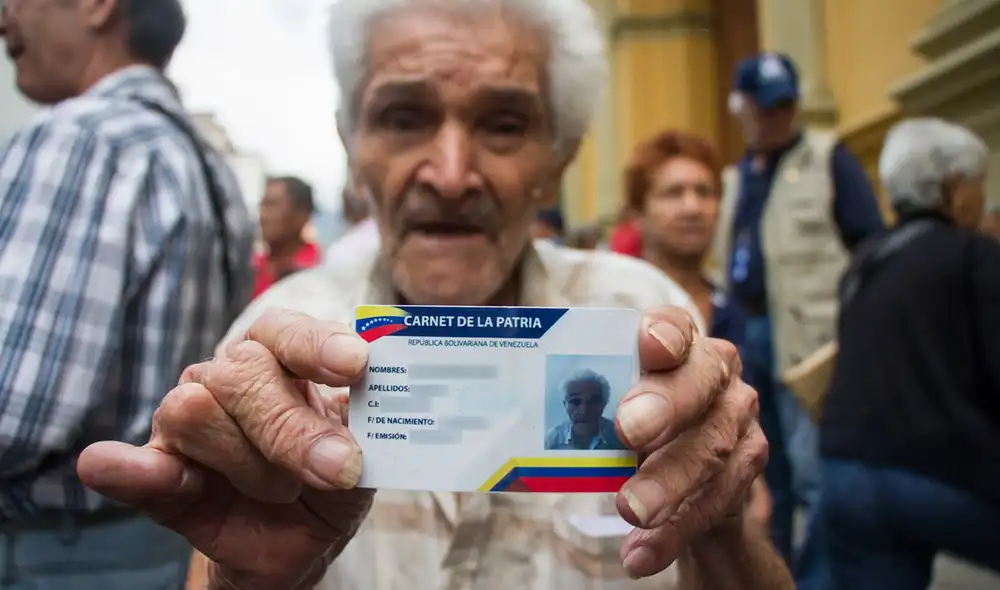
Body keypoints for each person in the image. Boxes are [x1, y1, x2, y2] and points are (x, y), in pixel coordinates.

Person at [77, 1, 790, 589]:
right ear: (352, 144)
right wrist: (248, 582)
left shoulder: (638, 318)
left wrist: (720, 528)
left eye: (504, 125)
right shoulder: (275, 336)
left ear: (559, 157)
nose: (450, 174)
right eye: (404, 118)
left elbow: (737, 548)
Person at [0, 0, 254, 588]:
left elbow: (16, 413)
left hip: (52, 555)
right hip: (158, 540)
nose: (4, 16)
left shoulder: (82, 137)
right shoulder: (205, 163)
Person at [712, 52, 885, 587]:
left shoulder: (829, 159)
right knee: (764, 474)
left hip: (810, 347)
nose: (777, 117)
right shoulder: (735, 179)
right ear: (741, 109)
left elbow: (872, 250)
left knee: (816, 476)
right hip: (747, 337)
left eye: (785, 105)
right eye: (764, 107)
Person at [820, 118, 1000, 589]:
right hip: (940, 474)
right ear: (955, 188)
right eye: (979, 185)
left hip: (845, 472)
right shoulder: (974, 255)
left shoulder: (864, 263)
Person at [625, 129, 773, 533]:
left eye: (705, 192)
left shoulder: (737, 311)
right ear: (639, 212)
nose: (692, 207)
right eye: (673, 193)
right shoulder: (615, 313)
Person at [254, 176, 321, 298]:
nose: (263, 215)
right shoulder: (252, 267)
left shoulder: (317, 270)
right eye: (262, 205)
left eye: (272, 205)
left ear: (302, 215)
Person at [544, 370, 626, 451]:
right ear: (565, 405)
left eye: (593, 401)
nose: (584, 411)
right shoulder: (552, 440)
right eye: (575, 401)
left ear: (604, 404)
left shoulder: (620, 438)